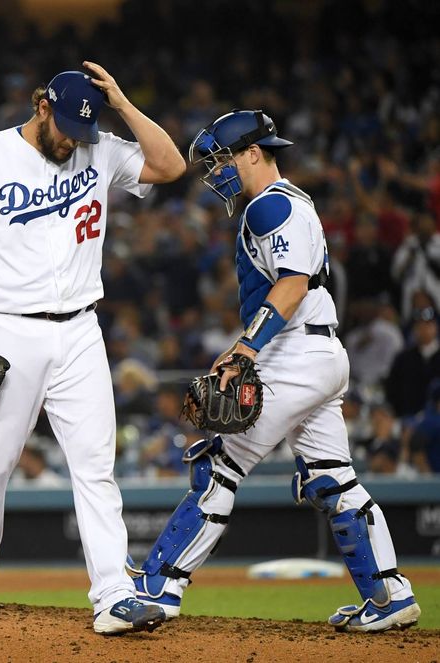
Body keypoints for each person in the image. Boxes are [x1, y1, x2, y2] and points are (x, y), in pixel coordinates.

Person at [129, 110, 420, 633]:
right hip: (320, 354)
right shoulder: (294, 201)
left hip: (295, 353)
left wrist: (245, 348)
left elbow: (291, 282)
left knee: (219, 464)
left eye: (221, 160)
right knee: (334, 480)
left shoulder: (269, 206)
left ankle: (159, 587)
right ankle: (389, 596)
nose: (216, 173)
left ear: (253, 153)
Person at [0, 62, 185, 635]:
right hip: (6, 327)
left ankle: (113, 593)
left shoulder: (99, 146)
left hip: (80, 329)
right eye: (66, 124)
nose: (73, 139)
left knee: (97, 465)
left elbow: (171, 165)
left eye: (82, 128)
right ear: (41, 105)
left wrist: (119, 102)